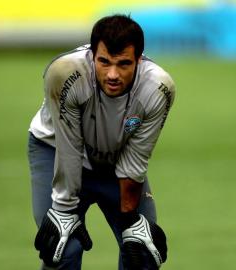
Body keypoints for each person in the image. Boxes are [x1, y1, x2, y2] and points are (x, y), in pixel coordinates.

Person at [27, 14, 175, 270]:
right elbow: (70, 147)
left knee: (142, 251)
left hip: (117, 157)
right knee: (63, 249)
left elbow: (136, 158)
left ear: (139, 59)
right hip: (55, 150)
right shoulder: (65, 74)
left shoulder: (159, 88)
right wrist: (63, 210)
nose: (113, 74)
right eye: (104, 62)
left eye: (124, 64)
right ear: (92, 54)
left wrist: (129, 219)